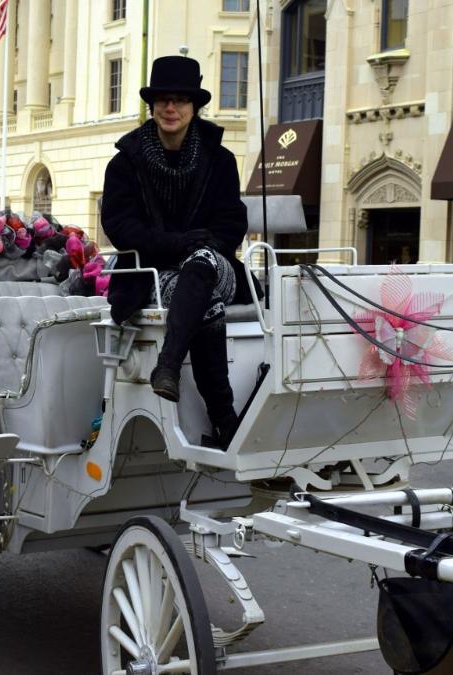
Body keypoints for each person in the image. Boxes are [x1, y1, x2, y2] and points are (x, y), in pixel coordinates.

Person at [101, 55, 258, 449]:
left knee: (202, 264)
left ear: (193, 107)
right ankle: (224, 419)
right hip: (153, 275)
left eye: (181, 100)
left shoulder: (220, 160)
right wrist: (175, 244)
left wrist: (200, 245)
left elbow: (232, 223)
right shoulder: (125, 163)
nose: (171, 108)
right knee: (207, 306)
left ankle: (168, 364)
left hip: (213, 265)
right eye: (163, 100)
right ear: (152, 106)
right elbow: (119, 226)